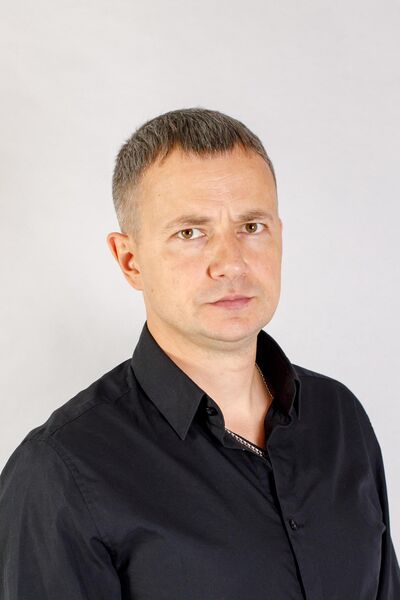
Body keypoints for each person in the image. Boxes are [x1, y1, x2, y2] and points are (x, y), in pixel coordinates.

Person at [0, 107, 399, 600]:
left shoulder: (339, 418)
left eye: (251, 226)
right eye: (190, 233)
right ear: (130, 260)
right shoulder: (59, 472)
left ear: (279, 235)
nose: (231, 263)